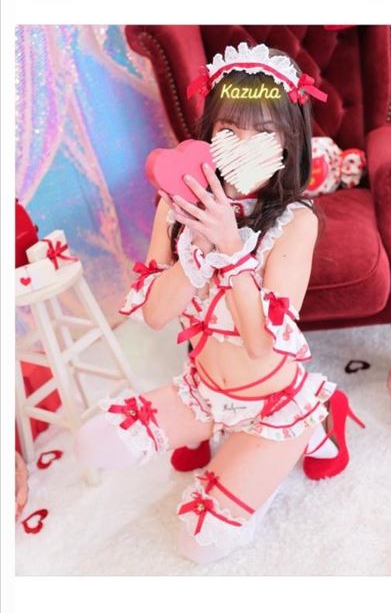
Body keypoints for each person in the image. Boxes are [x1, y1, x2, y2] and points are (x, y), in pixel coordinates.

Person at [73, 42, 365, 564]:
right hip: (203, 391)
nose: (244, 148)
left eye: (264, 133)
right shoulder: (176, 206)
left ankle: (316, 420)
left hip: (273, 403)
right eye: (230, 130)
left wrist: (231, 250)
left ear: (288, 141)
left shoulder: (296, 222)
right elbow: (156, 315)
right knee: (93, 442)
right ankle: (220, 437)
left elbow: (260, 345)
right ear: (209, 135)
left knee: (199, 543)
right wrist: (197, 249)